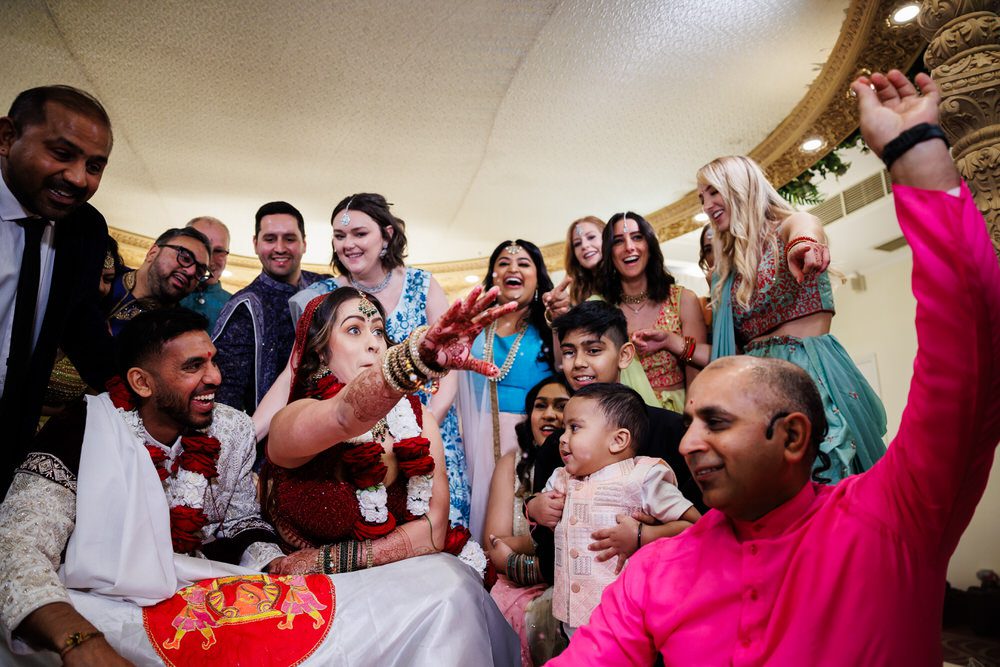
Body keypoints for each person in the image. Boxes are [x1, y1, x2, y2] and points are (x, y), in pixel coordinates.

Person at [549, 69, 1000, 665]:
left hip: (807, 368)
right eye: (689, 422)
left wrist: (917, 161)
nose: (685, 445)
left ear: (794, 434)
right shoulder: (656, 572)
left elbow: (969, 362)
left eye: (714, 421)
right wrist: (680, 349)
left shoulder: (887, 524)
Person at [0, 308, 285, 664]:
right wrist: (78, 639)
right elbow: (14, 546)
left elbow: (240, 522)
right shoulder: (81, 430)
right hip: (100, 601)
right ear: (141, 383)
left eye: (213, 361)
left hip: (195, 599)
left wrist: (276, 566)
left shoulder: (233, 429)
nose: (215, 377)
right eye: (193, 366)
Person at [260, 284, 520, 662]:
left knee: (452, 593)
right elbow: (344, 415)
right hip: (313, 606)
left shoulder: (419, 420)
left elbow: (432, 532)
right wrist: (412, 361)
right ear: (319, 350)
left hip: (400, 593)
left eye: (379, 331)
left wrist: (327, 561)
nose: (373, 343)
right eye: (354, 330)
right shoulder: (293, 420)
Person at [274, 193, 470, 526]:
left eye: (359, 233)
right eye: (339, 235)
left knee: (436, 530)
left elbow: (449, 366)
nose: (347, 243)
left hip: (424, 426)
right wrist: (248, 437)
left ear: (388, 235)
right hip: (348, 427)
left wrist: (422, 429)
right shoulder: (322, 296)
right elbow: (293, 372)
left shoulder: (422, 284)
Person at [524, 301, 701, 589]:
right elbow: (548, 548)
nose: (579, 362)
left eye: (593, 350)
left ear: (624, 355)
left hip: (664, 588)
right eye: (569, 352)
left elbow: (704, 522)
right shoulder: (556, 445)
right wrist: (533, 509)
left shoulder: (671, 431)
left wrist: (644, 534)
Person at [0, 85, 117, 492]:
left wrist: (139, 391)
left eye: (95, 166)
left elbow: (80, 323)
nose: (77, 178)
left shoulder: (86, 228)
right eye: (62, 154)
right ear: (7, 137)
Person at [540, 383, 699, 638]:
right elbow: (541, 508)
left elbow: (695, 527)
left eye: (575, 427)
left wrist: (642, 535)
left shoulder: (643, 477)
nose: (562, 438)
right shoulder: (561, 477)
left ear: (618, 440)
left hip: (628, 618)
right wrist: (536, 508)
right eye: (564, 429)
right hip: (573, 618)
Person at [459, 239, 555, 540]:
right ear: (493, 277)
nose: (513, 268)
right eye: (503, 263)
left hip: (528, 435)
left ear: (538, 277)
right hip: (474, 436)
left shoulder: (550, 327)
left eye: (524, 263)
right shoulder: (475, 327)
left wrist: (558, 321)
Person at [483, 375, 571, 665]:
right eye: (540, 406)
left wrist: (522, 553)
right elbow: (493, 543)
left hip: (569, 579)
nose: (548, 414)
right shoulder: (513, 463)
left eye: (561, 406)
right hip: (514, 585)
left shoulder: (584, 467)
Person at [213, 201, 328, 413]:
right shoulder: (244, 307)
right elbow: (227, 394)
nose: (280, 248)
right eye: (270, 239)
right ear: (256, 243)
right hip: (270, 433)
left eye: (290, 239)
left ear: (304, 243)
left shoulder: (325, 287)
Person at [599, 211, 707, 413]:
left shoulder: (682, 299)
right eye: (618, 241)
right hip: (619, 415)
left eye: (637, 237)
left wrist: (690, 418)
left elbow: (695, 367)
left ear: (650, 245)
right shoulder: (601, 306)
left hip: (674, 413)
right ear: (609, 253)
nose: (629, 247)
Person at [41, 235, 123, 419]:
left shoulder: (99, 334)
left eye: (108, 279)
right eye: (94, 276)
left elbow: (96, 400)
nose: (101, 287)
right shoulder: (31, 315)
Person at [105, 226, 213, 334]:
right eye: (185, 258)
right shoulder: (103, 274)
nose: (191, 272)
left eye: (200, 272)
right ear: (153, 253)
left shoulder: (175, 332)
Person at [542, 216, 606, 319]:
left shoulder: (628, 280)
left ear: (607, 238)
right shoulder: (577, 296)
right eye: (577, 243)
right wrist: (556, 313)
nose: (584, 246)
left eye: (591, 237)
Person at [179, 216, 232, 330]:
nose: (209, 260)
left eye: (218, 251)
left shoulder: (235, 306)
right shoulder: (164, 292)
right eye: (202, 248)